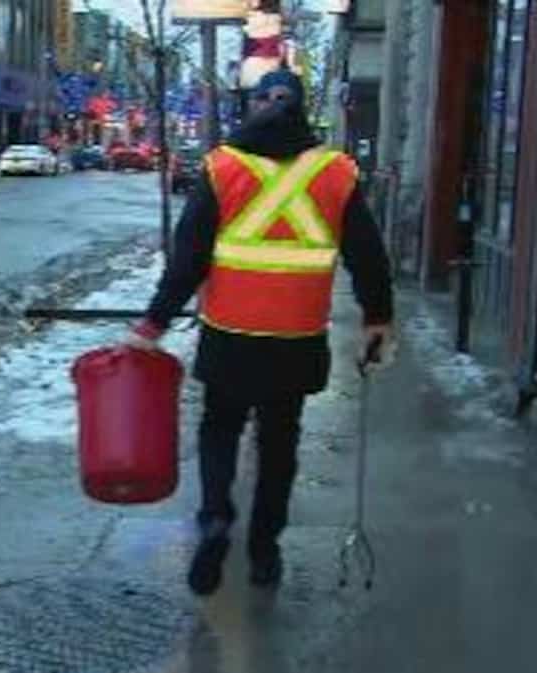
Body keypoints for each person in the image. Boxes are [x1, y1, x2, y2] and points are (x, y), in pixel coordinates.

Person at [124, 69, 396, 596]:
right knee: (279, 444)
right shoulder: (334, 173)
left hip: (230, 336)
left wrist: (153, 323)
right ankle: (265, 549)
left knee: (220, 429)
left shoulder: (224, 167)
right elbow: (369, 257)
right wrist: (376, 319)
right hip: (295, 341)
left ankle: (216, 518)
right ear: (301, 108)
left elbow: (189, 259)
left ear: (253, 106)